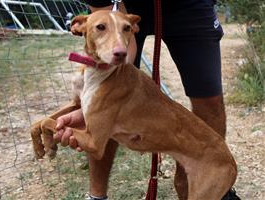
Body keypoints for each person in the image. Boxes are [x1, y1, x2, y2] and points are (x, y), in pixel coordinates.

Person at [54, 1, 241, 199]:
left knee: (210, 98)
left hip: (189, 5)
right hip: (122, 4)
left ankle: (213, 181)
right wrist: (101, 100)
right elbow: (120, 53)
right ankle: (97, 195)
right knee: (106, 103)